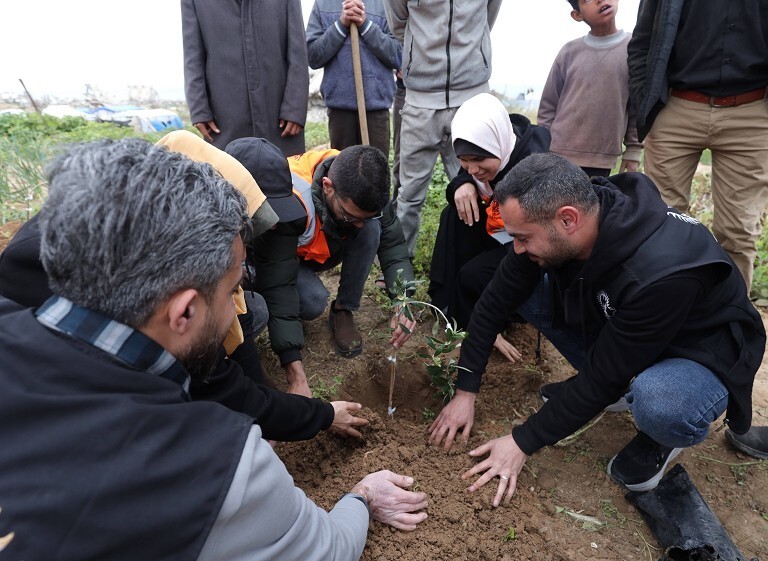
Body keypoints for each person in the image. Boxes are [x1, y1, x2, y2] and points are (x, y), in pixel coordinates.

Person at [0, 138, 428, 560]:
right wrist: (362, 497)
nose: (238, 309)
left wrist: (299, 408)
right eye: (232, 291)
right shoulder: (216, 464)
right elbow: (327, 550)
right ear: (184, 312)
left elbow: (229, 378)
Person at [429, 153, 765, 506]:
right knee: (523, 285)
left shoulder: (659, 273)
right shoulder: (579, 215)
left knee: (660, 402)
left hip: (699, 351)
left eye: (524, 237)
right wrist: (465, 390)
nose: (517, 247)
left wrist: (521, 441)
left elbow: (602, 377)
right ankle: (625, 385)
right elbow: (494, 302)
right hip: (633, 329)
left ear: (568, 219)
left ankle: (663, 435)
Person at [0, 131, 369, 443]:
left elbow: (225, 349)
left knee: (251, 311)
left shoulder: (153, 238)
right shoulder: (39, 273)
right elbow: (215, 378)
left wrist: (295, 406)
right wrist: (306, 415)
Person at [627, 0, 768, 290]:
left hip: (753, 112)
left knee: (739, 233)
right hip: (677, 106)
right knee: (659, 222)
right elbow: (642, 41)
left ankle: (728, 324)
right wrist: (647, 100)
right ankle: (660, 312)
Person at [427, 93, 550, 362]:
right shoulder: (479, 163)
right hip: (494, 231)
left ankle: (488, 321)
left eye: (479, 160)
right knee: (453, 214)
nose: (473, 169)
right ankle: (450, 308)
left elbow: (541, 234)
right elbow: (463, 178)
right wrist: (462, 184)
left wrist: (486, 328)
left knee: (472, 276)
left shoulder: (532, 165)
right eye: (464, 160)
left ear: (498, 145)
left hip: (523, 244)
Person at [384, 0, 502, 256]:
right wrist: (423, 56)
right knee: (409, 192)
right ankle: (398, 268)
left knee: (482, 185)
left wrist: (472, 52)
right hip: (420, 97)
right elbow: (398, 24)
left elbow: (487, 17)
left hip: (472, 94)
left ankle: (486, 258)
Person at [287, 144, 416, 358]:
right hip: (291, 256)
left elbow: (392, 245)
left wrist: (404, 300)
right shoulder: (293, 198)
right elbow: (273, 264)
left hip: (327, 245)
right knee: (312, 302)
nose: (358, 225)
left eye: (364, 216)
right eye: (349, 215)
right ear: (328, 186)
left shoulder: (370, 188)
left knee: (372, 228)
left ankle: (342, 309)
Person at [181, 0, 309, 155]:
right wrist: (199, 110)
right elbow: (192, 56)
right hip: (224, 116)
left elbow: (298, 53)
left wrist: (294, 109)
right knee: (228, 176)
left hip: (278, 115)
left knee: (284, 174)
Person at [537, 0, 642, 177]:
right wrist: (541, 148)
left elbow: (637, 107)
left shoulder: (634, 49)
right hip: (557, 154)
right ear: (577, 15)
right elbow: (548, 107)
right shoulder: (569, 52)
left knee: (593, 203)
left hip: (601, 157)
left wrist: (633, 149)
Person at [306, 0, 401, 156]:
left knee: (375, 172)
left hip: (376, 109)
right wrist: (340, 25)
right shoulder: (323, 5)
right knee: (344, 173)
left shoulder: (386, 4)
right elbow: (313, 56)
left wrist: (366, 25)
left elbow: (397, 55)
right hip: (339, 110)